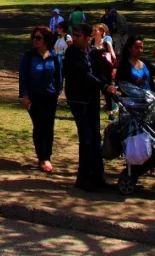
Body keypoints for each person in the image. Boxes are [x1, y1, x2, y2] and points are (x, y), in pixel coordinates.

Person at [63, 23, 117, 190]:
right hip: (79, 100)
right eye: (74, 35)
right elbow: (84, 75)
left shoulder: (91, 53)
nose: (75, 38)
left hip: (92, 99)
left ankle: (97, 177)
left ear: (88, 37)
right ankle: (84, 178)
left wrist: (108, 78)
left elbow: (99, 72)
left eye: (78, 35)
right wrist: (103, 86)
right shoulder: (72, 53)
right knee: (86, 138)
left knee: (95, 138)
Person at [19, 25, 63, 174]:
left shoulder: (54, 56)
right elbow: (23, 77)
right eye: (34, 37)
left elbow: (59, 77)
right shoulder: (28, 56)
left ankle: (47, 156)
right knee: (39, 126)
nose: (35, 40)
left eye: (39, 38)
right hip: (34, 98)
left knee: (48, 127)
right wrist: (24, 96)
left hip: (50, 97)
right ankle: (41, 157)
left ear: (46, 40)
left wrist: (57, 91)